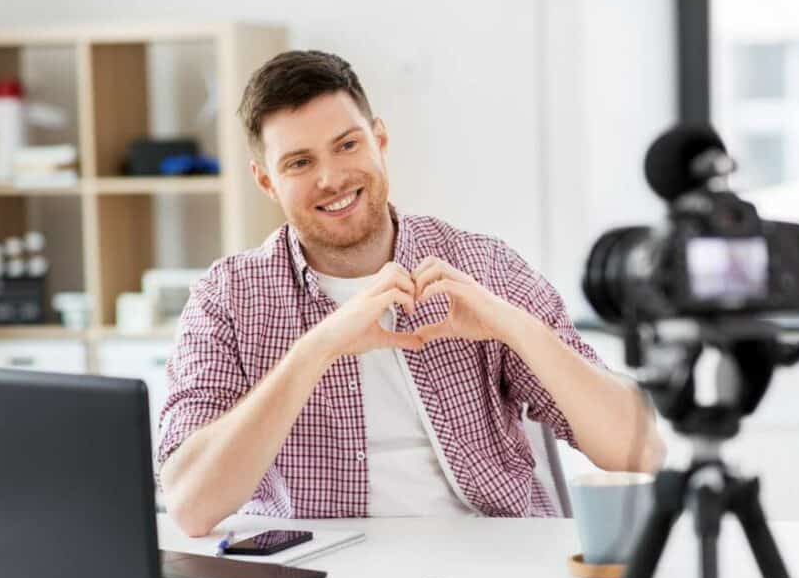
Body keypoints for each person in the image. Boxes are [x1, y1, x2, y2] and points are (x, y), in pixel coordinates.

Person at [157, 50, 665, 536]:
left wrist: (515, 328)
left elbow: (639, 455)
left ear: (379, 141)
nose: (331, 178)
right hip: (319, 571)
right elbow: (191, 506)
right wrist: (317, 348)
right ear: (266, 181)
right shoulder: (226, 297)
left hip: (497, 562)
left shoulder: (483, 266)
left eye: (347, 144)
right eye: (299, 163)